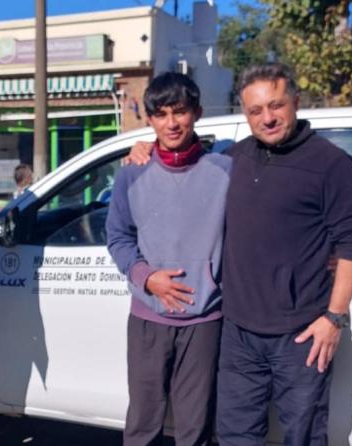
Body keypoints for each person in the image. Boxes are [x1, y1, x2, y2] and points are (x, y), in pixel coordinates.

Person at [127, 63, 352, 446]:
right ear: (245, 113)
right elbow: (182, 158)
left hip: (302, 332)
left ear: (295, 102)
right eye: (256, 111)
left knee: (304, 436)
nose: (268, 118)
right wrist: (143, 148)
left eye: (276, 106)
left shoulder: (331, 164)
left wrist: (334, 317)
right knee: (236, 436)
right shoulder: (231, 160)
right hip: (237, 332)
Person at [107, 72, 231, 446]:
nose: (171, 123)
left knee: (195, 427)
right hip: (148, 315)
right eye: (161, 114)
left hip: (205, 317)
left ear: (197, 112)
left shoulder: (225, 170)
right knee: (143, 423)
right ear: (149, 120)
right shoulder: (132, 174)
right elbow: (117, 237)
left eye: (180, 112)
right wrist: (146, 277)